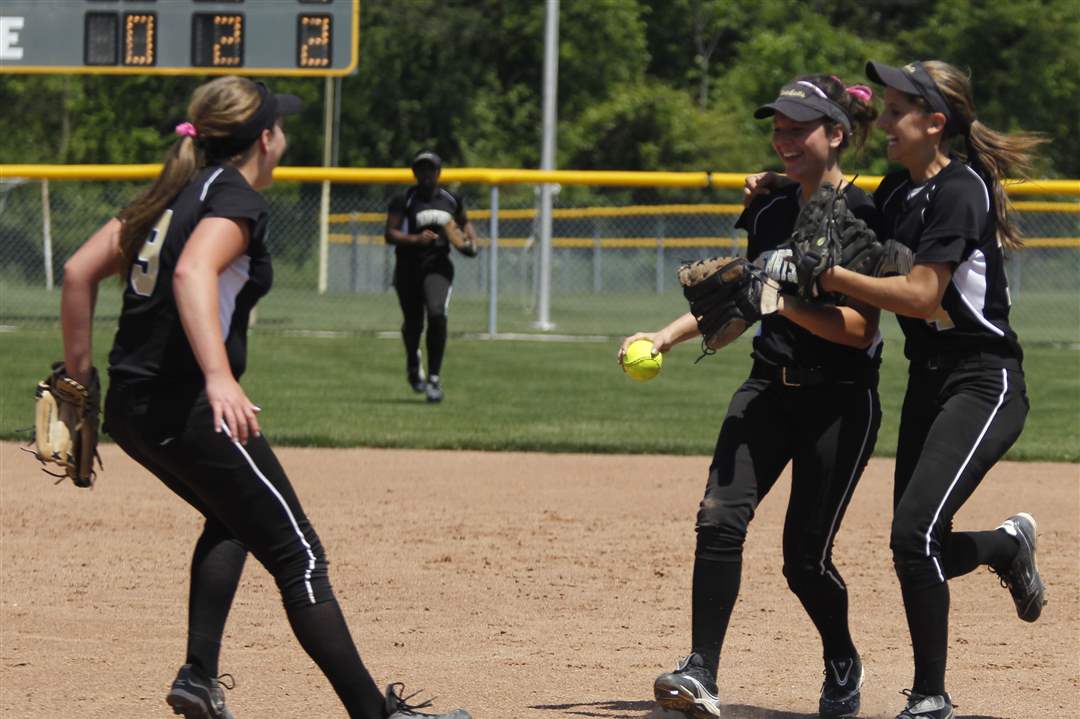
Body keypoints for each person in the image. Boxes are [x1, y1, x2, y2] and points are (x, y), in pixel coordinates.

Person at [59, 76, 470, 719]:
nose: (285, 136)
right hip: (191, 406)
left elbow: (77, 271)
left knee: (234, 518)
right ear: (264, 139)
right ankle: (374, 713)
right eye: (281, 126)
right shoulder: (233, 199)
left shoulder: (170, 192)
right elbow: (196, 270)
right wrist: (220, 377)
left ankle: (198, 676)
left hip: (133, 409)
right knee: (298, 555)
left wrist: (78, 387)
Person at [620, 74, 885, 719]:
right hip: (768, 387)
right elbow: (743, 302)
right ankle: (702, 669)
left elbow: (859, 331)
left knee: (804, 561)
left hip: (840, 402)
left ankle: (842, 658)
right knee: (719, 520)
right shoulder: (768, 210)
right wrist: (670, 334)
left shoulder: (865, 218)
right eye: (778, 127)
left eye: (799, 127)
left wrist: (787, 304)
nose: (784, 138)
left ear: (837, 134)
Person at [806, 60, 1045, 719]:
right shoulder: (895, 189)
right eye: (881, 108)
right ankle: (1004, 546)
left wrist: (835, 277)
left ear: (935, 123)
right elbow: (853, 215)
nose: (883, 121)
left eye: (896, 110)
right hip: (929, 378)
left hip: (983, 377)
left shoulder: (961, 189)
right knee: (917, 539)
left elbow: (921, 293)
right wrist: (781, 182)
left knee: (915, 534)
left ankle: (931, 695)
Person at [384, 151, 479, 403]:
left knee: (437, 314)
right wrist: (416, 239)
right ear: (415, 173)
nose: (426, 174)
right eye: (421, 169)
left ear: (438, 172)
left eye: (430, 169)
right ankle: (413, 365)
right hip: (408, 267)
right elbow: (390, 234)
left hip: (438, 267)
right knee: (414, 324)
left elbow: (464, 224)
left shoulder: (450, 199)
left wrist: (470, 241)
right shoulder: (404, 199)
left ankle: (434, 379)